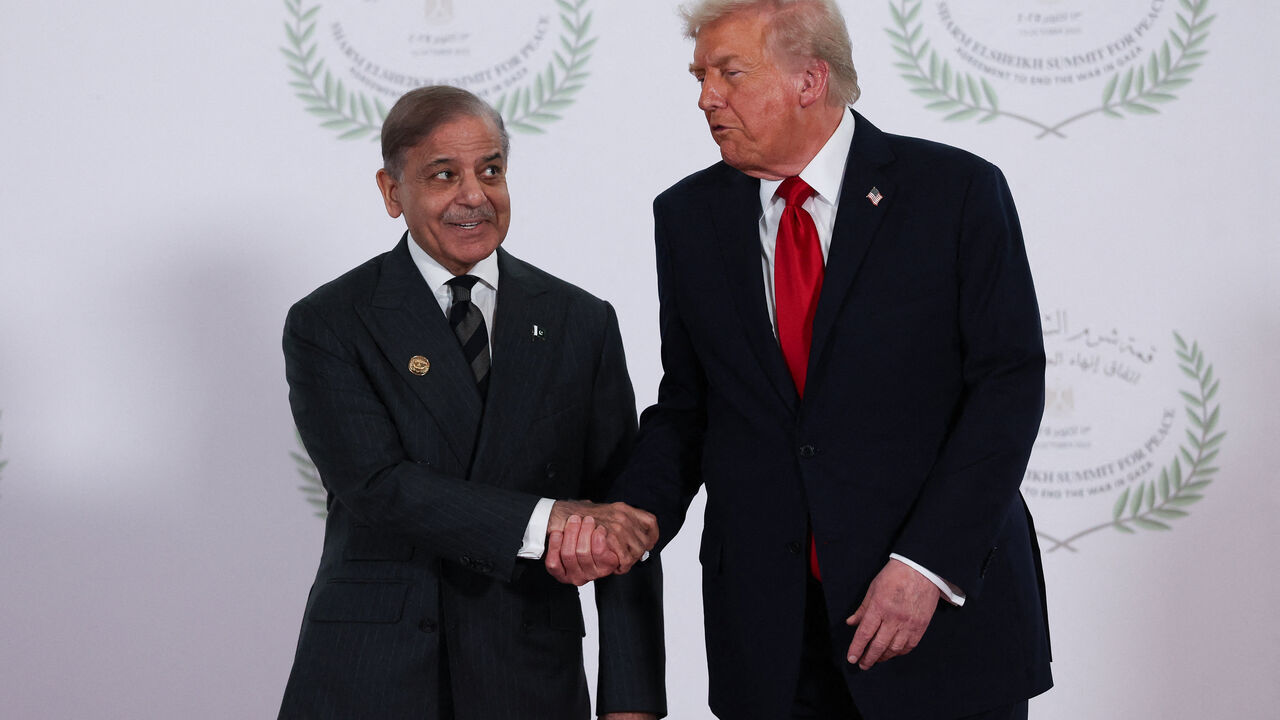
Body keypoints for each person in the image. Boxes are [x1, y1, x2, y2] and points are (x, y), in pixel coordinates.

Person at [548, 1, 1052, 718]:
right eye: (699, 76)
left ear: (810, 80)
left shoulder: (956, 192)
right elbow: (692, 405)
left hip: (934, 623)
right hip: (771, 637)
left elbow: (1006, 389)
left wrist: (924, 567)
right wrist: (634, 513)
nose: (705, 97)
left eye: (729, 73)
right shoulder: (688, 216)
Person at [279, 85, 665, 720]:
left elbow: (620, 518)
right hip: (372, 674)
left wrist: (633, 702)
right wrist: (548, 522)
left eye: (491, 170)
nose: (473, 195)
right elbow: (376, 484)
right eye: (442, 174)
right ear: (390, 191)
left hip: (527, 672)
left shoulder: (580, 321)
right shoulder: (330, 321)